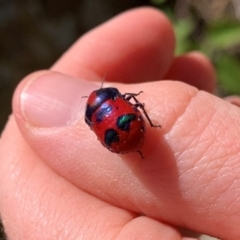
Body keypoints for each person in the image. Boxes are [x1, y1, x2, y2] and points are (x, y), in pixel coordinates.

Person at [0, 7, 240, 240]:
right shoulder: (115, 99)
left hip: (122, 142)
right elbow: (133, 102)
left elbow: (97, 126)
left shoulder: (94, 116)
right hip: (131, 131)